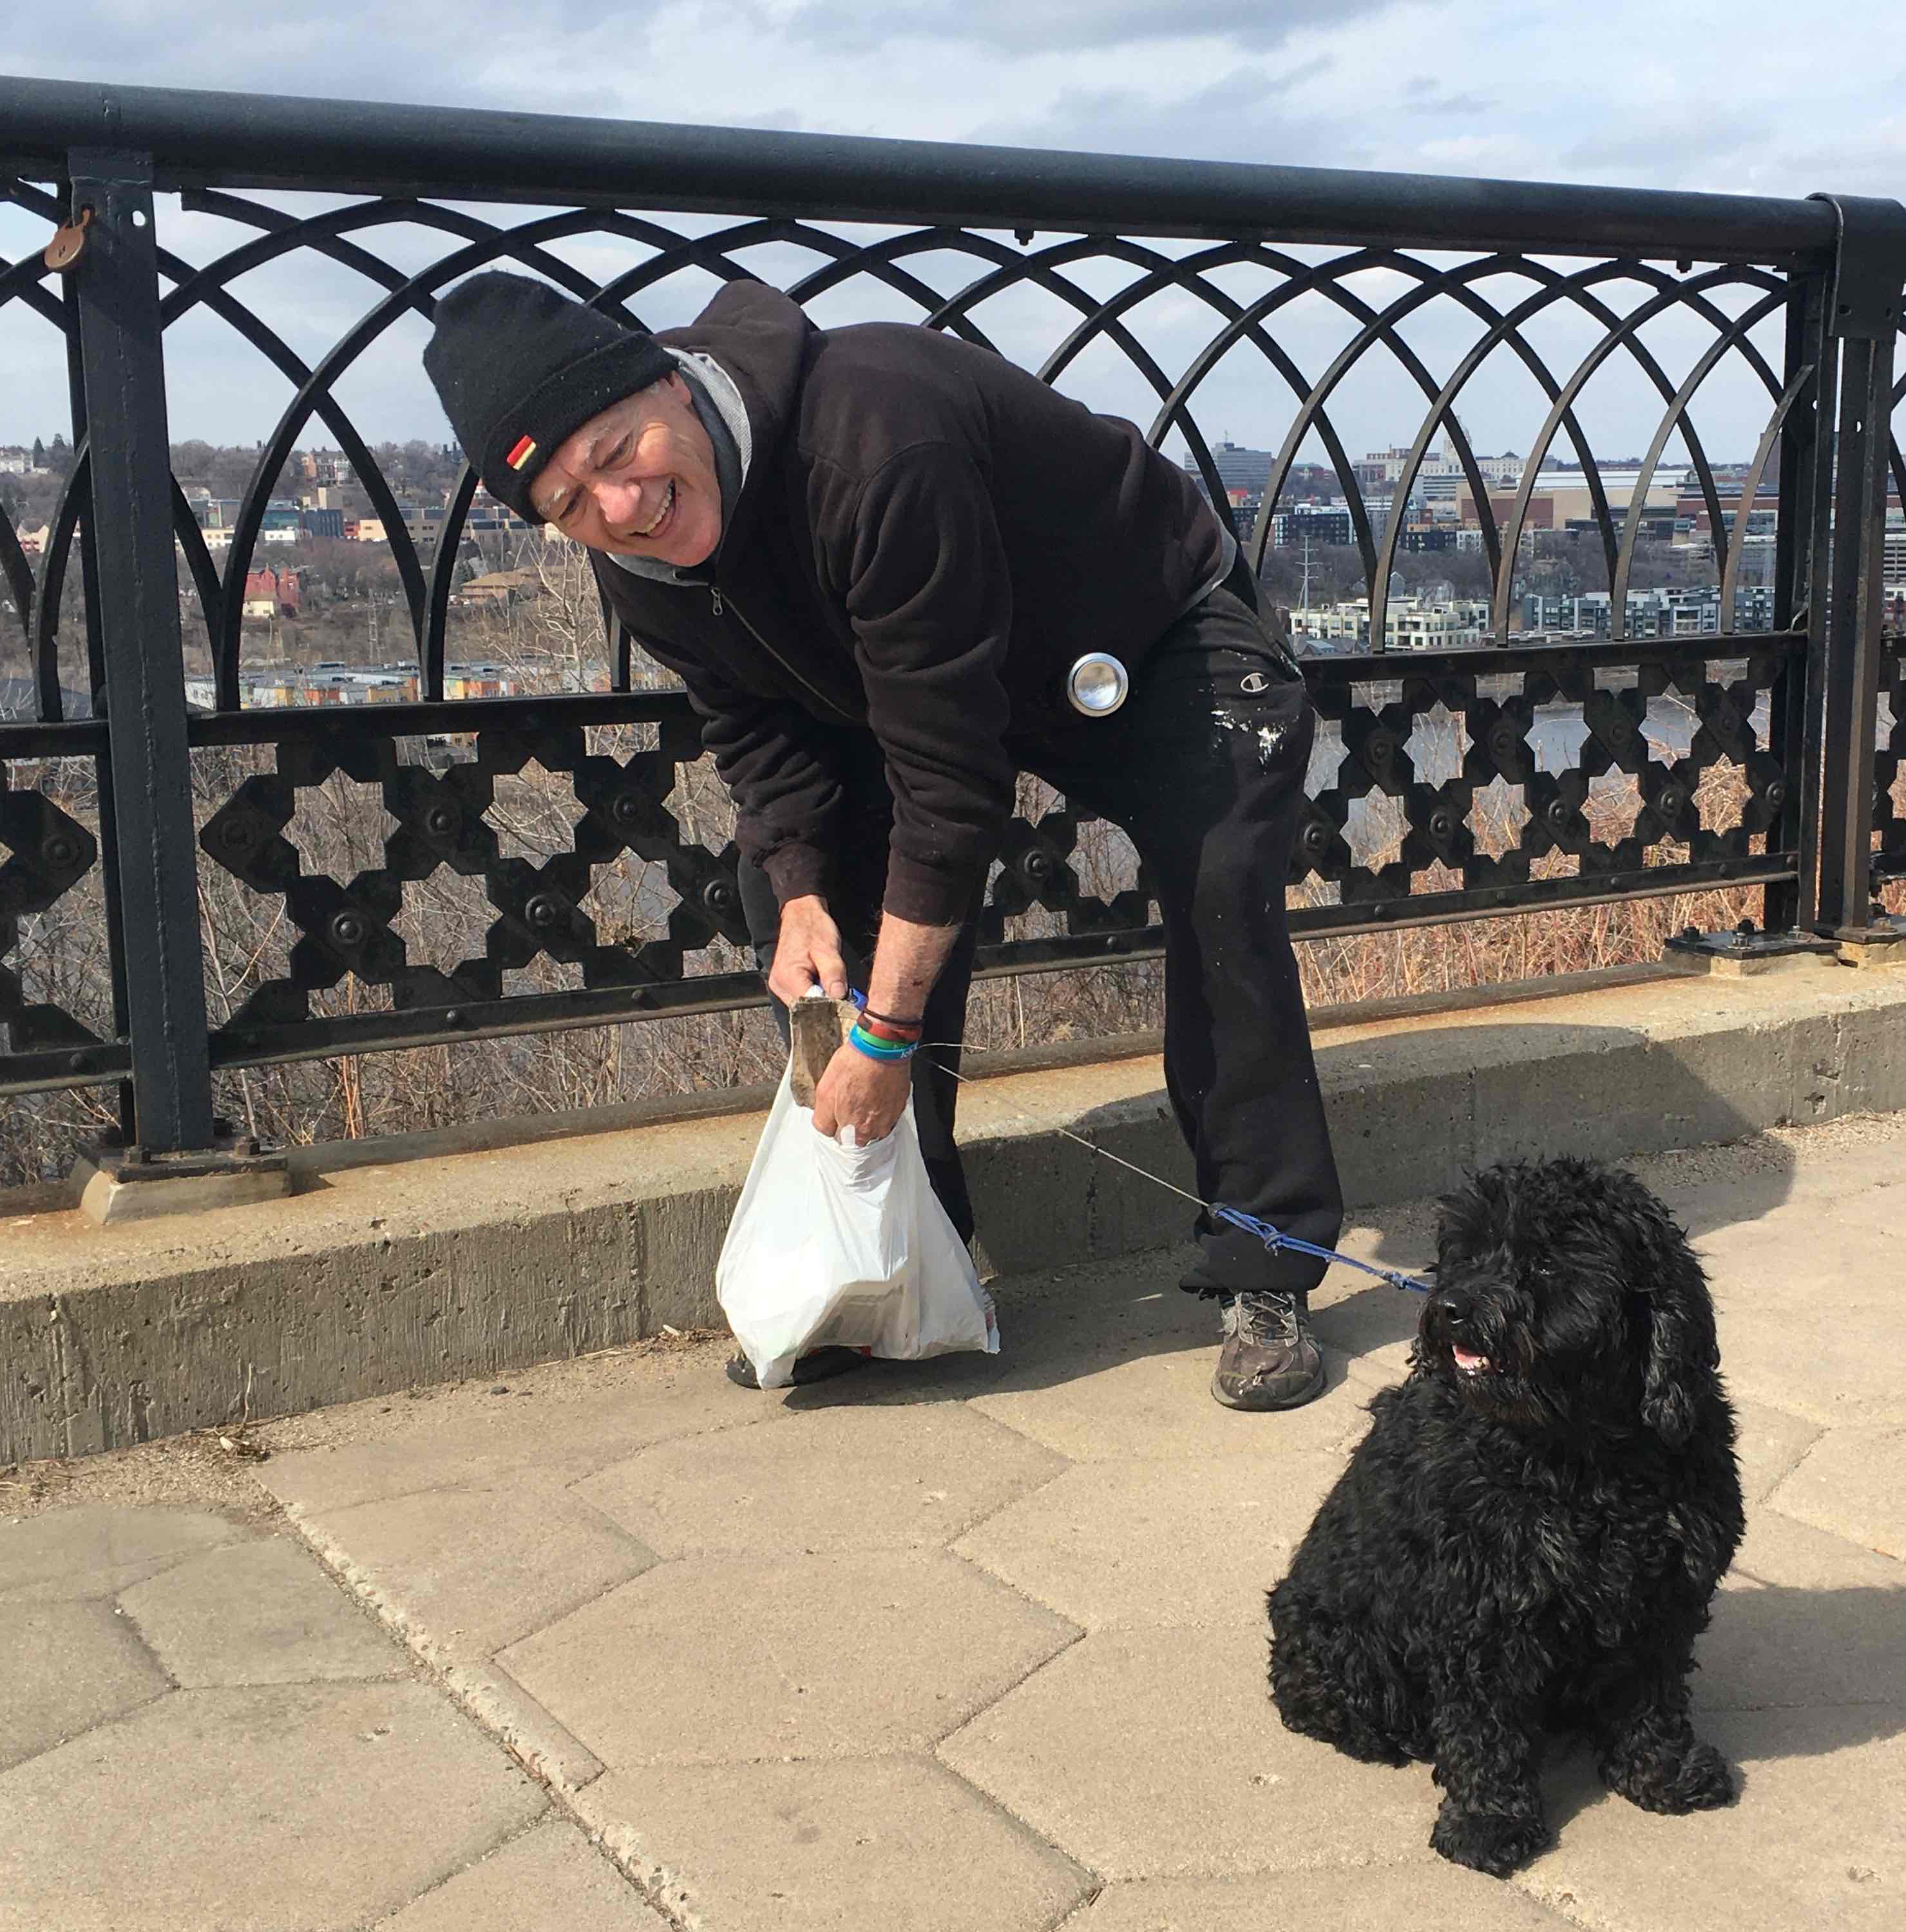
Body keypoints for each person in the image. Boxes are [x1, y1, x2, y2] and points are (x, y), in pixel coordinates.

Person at [423, 272, 1344, 1410]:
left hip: (1139, 635)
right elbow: (753, 724)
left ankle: (1267, 1257)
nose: (619, 508)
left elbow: (951, 787)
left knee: (1223, 890)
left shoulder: (872, 439)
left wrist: (890, 1031)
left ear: (667, 381)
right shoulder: (634, 558)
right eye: (570, 504)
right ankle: (917, 1261)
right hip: (914, 679)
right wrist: (805, 890)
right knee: (793, 904)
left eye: (618, 451)